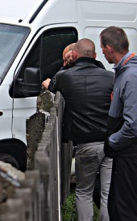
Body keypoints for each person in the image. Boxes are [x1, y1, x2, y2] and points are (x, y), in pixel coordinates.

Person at [53, 38, 114, 221]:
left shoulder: (66, 77)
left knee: (84, 191)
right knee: (107, 192)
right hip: (110, 143)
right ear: (95, 56)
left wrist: (65, 65)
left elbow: (53, 84)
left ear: (74, 56)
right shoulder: (111, 77)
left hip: (86, 145)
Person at [100, 26, 137, 221]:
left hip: (129, 151)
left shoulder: (132, 76)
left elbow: (134, 124)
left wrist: (113, 141)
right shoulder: (127, 72)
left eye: (102, 48)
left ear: (109, 48)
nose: (102, 52)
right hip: (126, 150)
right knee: (119, 205)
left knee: (126, 209)